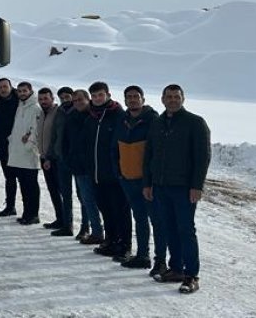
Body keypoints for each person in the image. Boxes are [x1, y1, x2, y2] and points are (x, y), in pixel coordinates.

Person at [144, 84, 211, 294]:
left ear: (183, 98)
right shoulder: (157, 123)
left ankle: (191, 275)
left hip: (183, 188)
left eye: (176, 96)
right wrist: (148, 182)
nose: (172, 100)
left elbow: (202, 158)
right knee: (169, 228)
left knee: (186, 230)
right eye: (169, 96)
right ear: (162, 99)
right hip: (161, 186)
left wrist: (196, 186)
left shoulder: (195, 123)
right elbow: (149, 155)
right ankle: (176, 269)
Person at [116, 85, 160, 271]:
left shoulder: (152, 121)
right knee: (140, 219)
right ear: (125, 100)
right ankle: (142, 255)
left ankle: (160, 260)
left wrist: (150, 179)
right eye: (129, 97)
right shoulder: (123, 120)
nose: (132, 99)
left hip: (146, 181)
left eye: (136, 96)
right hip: (127, 179)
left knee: (157, 221)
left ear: (143, 99)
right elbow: (115, 149)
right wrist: (119, 172)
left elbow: (156, 153)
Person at [87, 81, 131, 260]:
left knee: (120, 210)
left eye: (100, 95)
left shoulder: (117, 114)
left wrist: (119, 169)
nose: (97, 99)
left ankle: (125, 245)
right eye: (94, 96)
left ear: (108, 94)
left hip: (114, 174)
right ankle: (111, 241)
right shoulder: (91, 116)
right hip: (96, 173)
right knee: (105, 209)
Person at [65, 89, 104, 244]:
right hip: (78, 166)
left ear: (88, 100)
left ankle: (99, 231)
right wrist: (69, 158)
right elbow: (67, 141)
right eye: (75, 101)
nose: (78, 103)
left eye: (81, 100)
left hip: (95, 167)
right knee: (85, 199)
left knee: (99, 201)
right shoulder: (72, 117)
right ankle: (93, 230)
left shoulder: (95, 116)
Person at [7, 82, 43, 224]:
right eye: (20, 91)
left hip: (28, 153)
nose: (22, 93)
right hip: (18, 153)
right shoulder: (20, 106)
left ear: (30, 91)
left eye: (25, 91)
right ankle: (26, 213)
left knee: (31, 186)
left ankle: (33, 214)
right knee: (23, 186)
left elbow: (36, 129)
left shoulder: (35, 108)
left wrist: (29, 144)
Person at [48, 87, 76, 237]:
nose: (65, 100)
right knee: (65, 193)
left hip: (76, 159)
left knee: (82, 196)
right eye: (62, 98)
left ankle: (86, 227)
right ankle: (67, 224)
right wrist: (49, 154)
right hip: (61, 158)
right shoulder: (59, 112)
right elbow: (54, 135)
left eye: (67, 97)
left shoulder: (78, 110)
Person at [36, 87, 65, 230]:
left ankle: (66, 220)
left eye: (46, 98)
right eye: (40, 99)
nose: (43, 101)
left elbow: (57, 138)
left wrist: (49, 157)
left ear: (52, 99)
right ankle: (60, 218)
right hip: (44, 157)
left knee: (60, 190)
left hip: (54, 158)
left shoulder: (58, 113)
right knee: (53, 190)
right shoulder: (41, 113)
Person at [0, 78, 19, 217]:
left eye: (5, 86)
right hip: (3, 148)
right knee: (10, 179)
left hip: (20, 148)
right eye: (0, 87)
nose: (3, 89)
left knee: (25, 180)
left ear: (10, 87)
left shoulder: (20, 103)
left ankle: (30, 211)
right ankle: (10, 206)